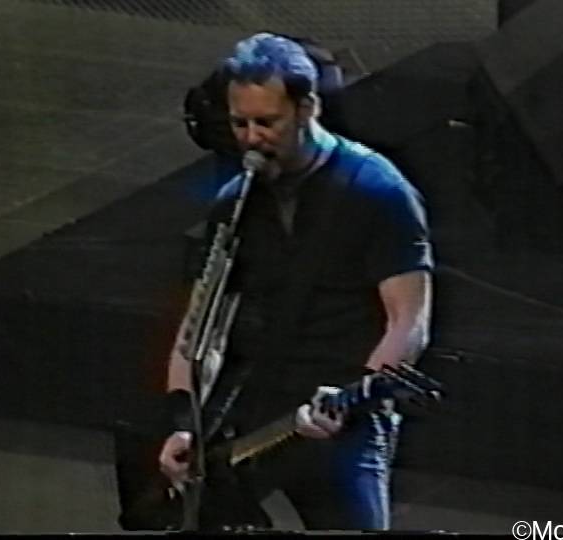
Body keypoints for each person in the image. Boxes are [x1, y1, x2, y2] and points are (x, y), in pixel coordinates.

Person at [158, 32, 434, 532]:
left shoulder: (378, 190)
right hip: (254, 407)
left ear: (307, 108)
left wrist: (356, 394)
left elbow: (408, 321)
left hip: (343, 409)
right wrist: (184, 421)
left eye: (267, 122)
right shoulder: (235, 202)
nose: (251, 138)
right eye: (240, 124)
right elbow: (200, 328)